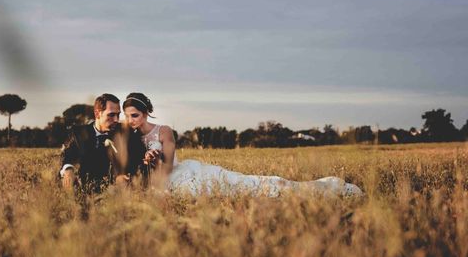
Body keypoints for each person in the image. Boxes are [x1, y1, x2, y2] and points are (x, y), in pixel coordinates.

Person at [122, 92, 363, 198]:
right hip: (157, 186)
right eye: (128, 116)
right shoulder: (128, 137)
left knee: (246, 184)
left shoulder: (164, 132)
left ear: (145, 113)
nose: (131, 121)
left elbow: (168, 166)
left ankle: (322, 188)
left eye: (135, 115)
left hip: (181, 175)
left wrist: (156, 161)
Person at [60, 93, 145, 195]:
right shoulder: (78, 133)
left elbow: (138, 158)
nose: (116, 119)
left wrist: (124, 176)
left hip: (116, 194)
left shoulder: (126, 132)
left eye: (118, 114)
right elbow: (67, 156)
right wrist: (68, 169)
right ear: (97, 114)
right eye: (111, 115)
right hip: (84, 191)